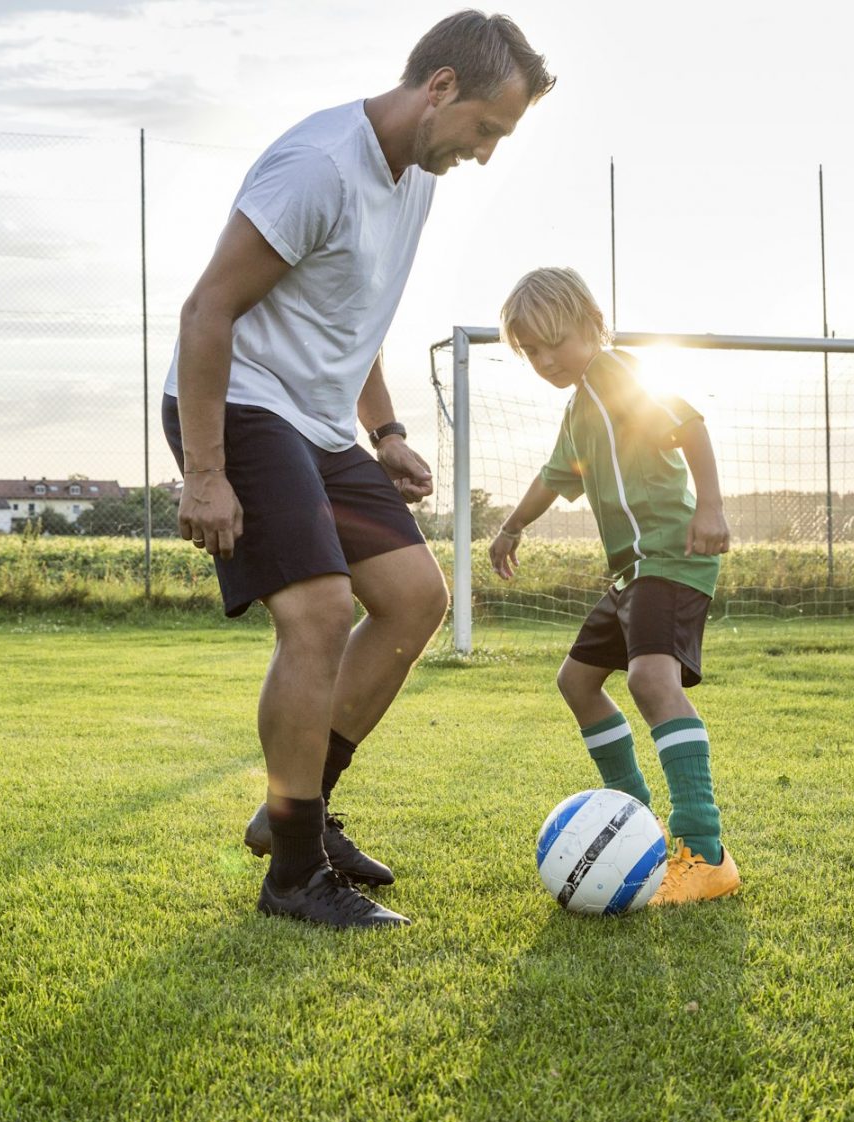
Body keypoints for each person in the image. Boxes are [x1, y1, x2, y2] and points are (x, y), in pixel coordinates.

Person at [162, 12, 555, 929]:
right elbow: (206, 310)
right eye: (488, 130)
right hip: (239, 402)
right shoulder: (319, 166)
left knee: (417, 598)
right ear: (441, 87)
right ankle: (295, 877)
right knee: (319, 612)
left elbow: (354, 315)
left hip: (321, 422)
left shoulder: (415, 173)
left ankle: (293, 811)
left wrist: (384, 431)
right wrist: (206, 473)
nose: (487, 154)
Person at [488, 267, 740, 904]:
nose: (547, 360)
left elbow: (691, 426)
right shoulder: (579, 407)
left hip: (670, 556)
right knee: (576, 681)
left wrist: (710, 508)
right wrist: (512, 525)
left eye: (557, 341)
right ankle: (635, 818)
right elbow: (554, 476)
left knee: (651, 681)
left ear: (593, 326)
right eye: (533, 351)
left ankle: (704, 851)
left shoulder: (615, 374)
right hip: (630, 571)